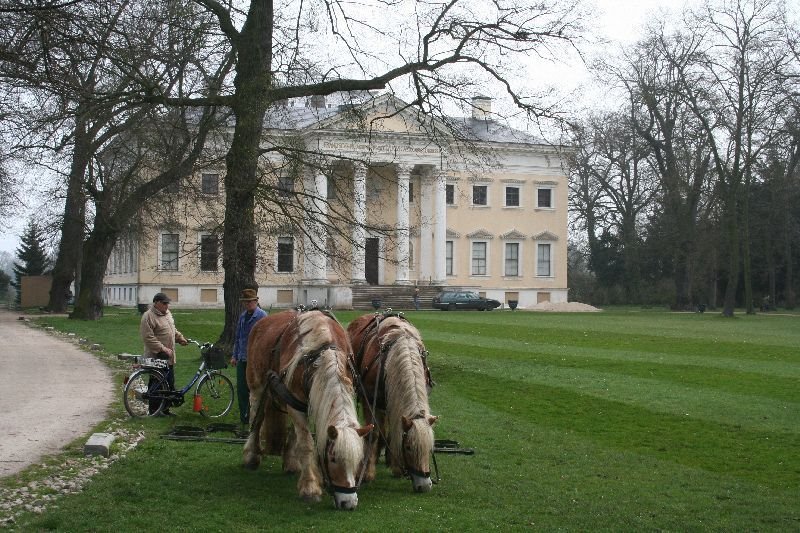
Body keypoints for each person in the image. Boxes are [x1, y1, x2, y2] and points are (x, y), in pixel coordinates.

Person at [139, 292, 188, 416]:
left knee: (169, 382)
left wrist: (180, 338)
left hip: (169, 358)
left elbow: (172, 330)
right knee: (157, 384)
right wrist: (162, 348)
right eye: (164, 303)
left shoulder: (167, 314)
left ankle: (165, 409)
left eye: (168, 303)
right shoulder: (148, 316)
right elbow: (148, 337)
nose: (167, 306)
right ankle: (155, 410)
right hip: (156, 357)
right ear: (156, 303)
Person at [231, 288, 268, 426]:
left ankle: (258, 415)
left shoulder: (262, 316)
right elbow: (238, 337)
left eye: (250, 302)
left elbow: (266, 340)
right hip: (242, 358)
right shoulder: (242, 316)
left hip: (255, 360)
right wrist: (235, 356)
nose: (248, 304)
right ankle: (244, 416)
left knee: (256, 388)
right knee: (242, 389)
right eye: (245, 302)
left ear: (256, 301)